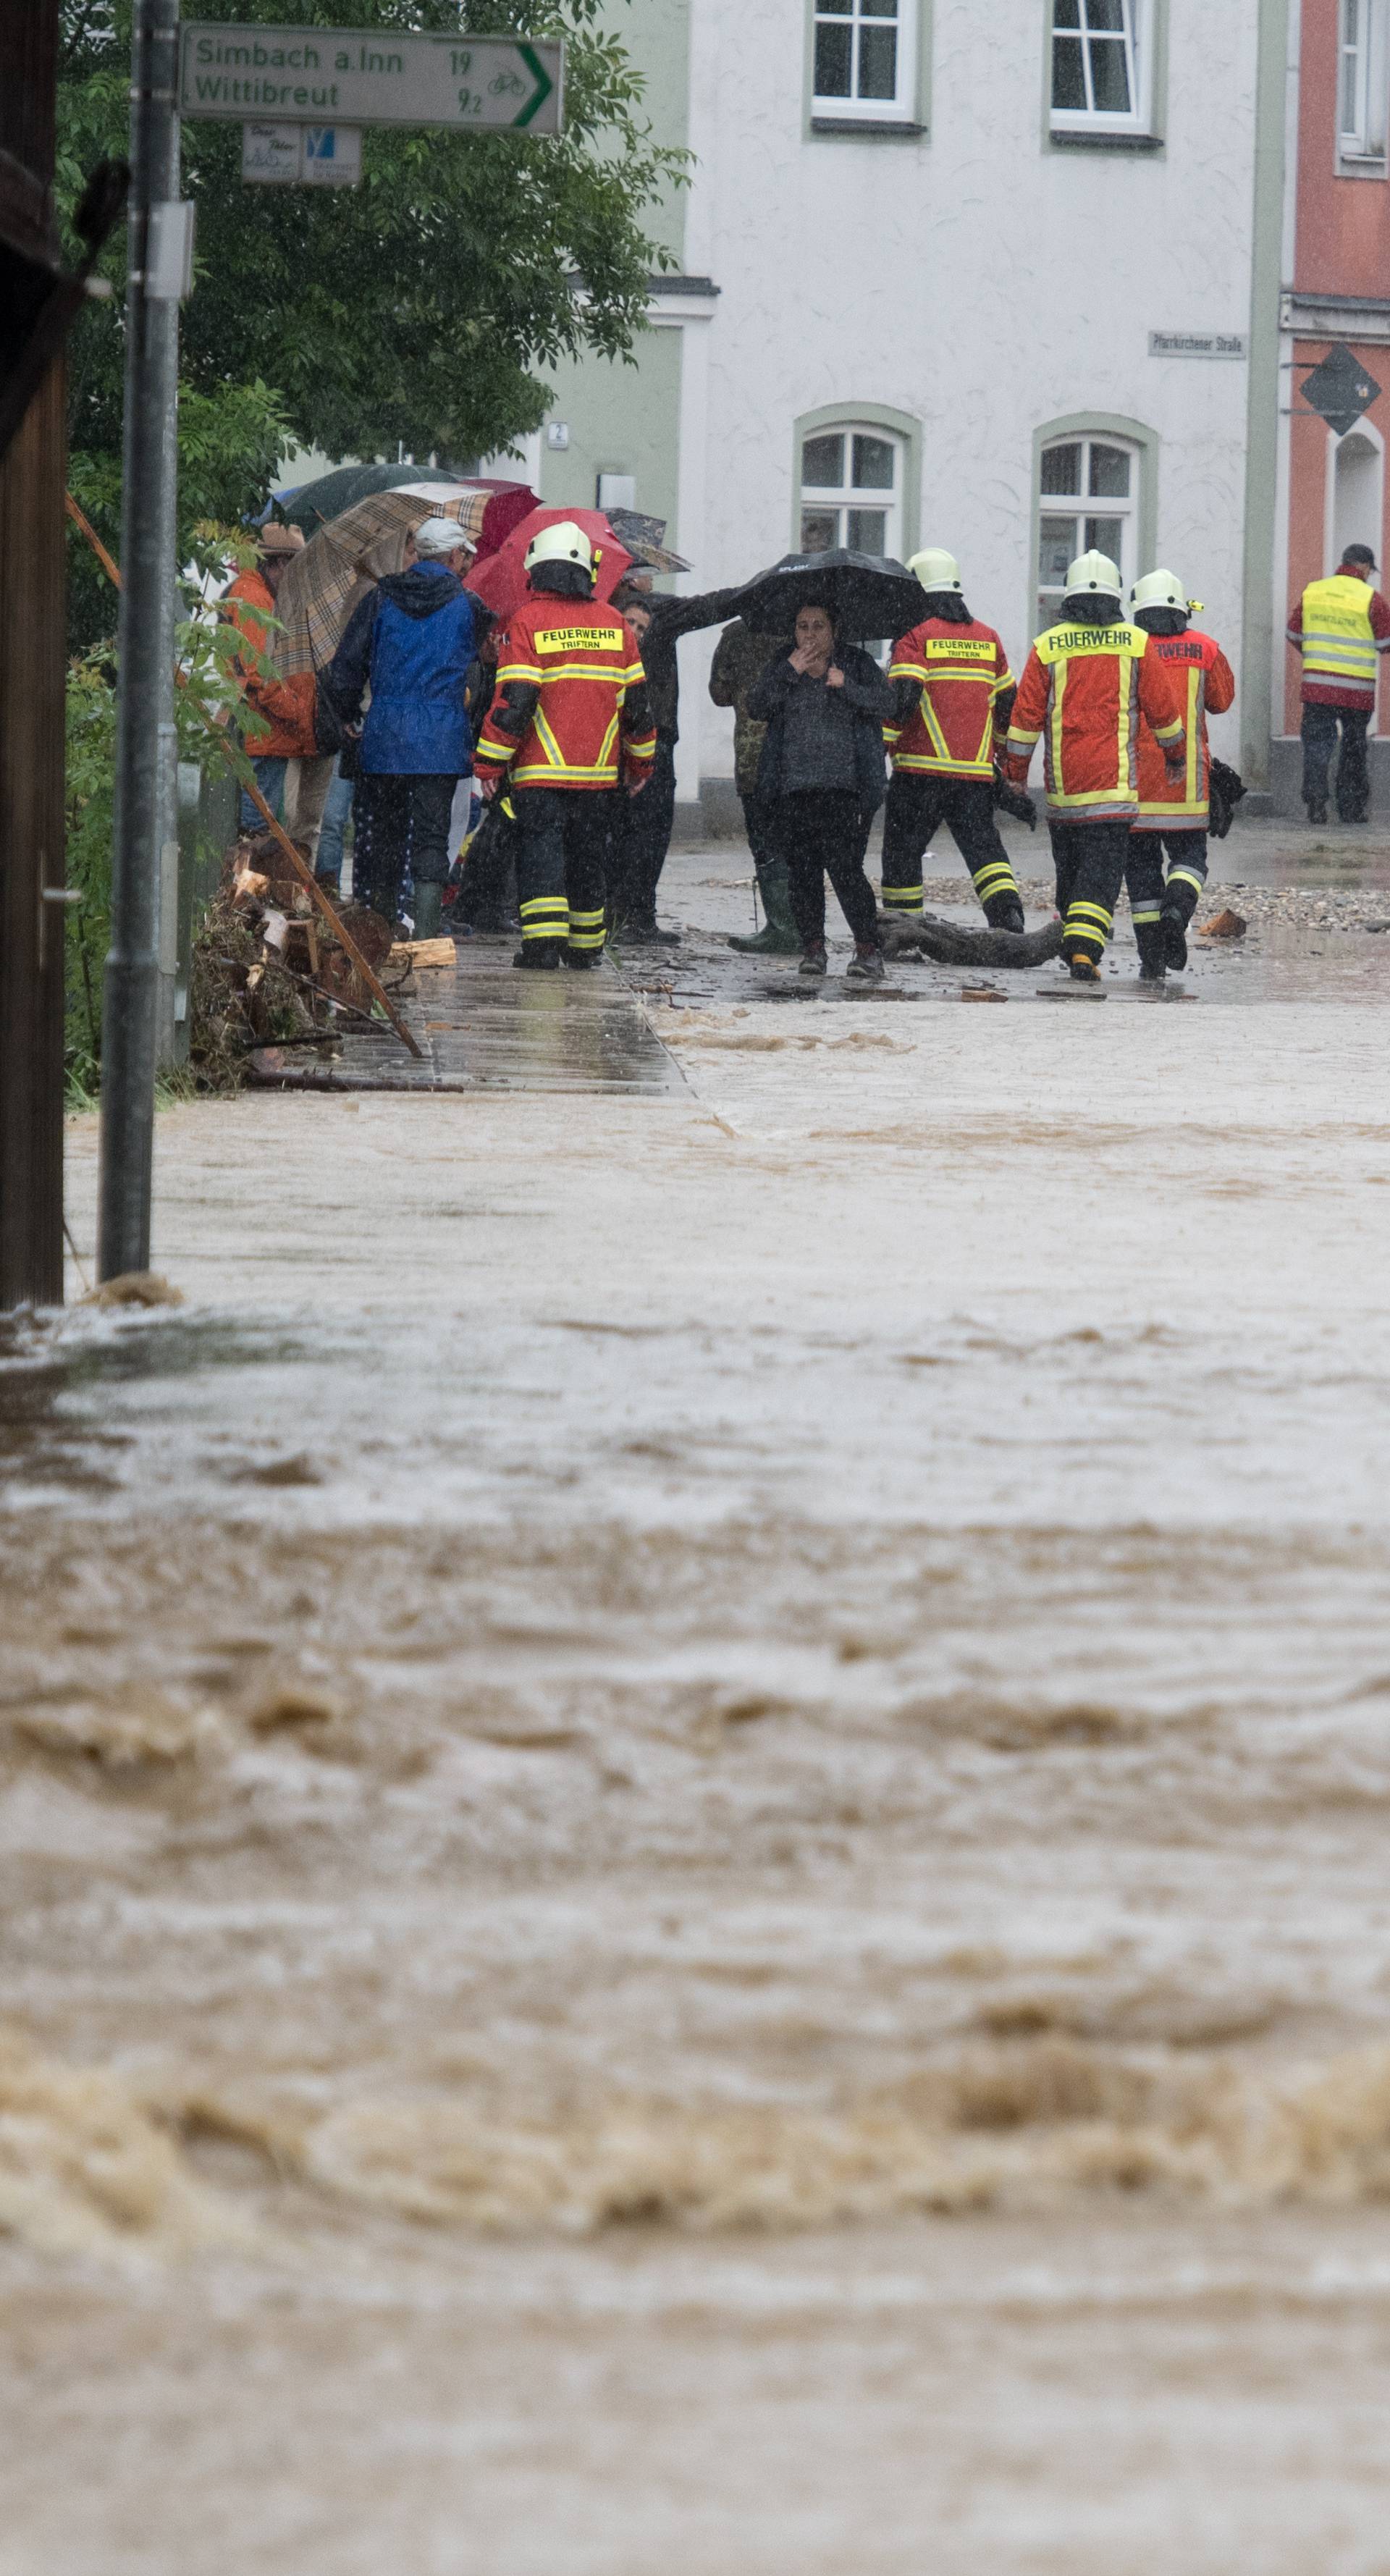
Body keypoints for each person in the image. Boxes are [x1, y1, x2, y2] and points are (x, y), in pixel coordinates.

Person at [472, 521, 657, 970]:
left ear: (538, 570)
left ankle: (541, 948)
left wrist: (489, 766)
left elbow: (514, 702)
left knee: (542, 857)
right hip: (597, 777)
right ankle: (587, 947)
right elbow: (637, 707)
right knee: (587, 858)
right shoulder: (615, 623)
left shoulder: (529, 621)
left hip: (541, 774)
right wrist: (641, 764)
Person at [1002, 549, 1185, 982]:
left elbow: (1025, 722)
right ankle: (1084, 950)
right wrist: (1176, 756)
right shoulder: (1136, 643)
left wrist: (1014, 775)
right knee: (1099, 877)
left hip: (1065, 792)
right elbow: (1165, 712)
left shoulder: (1046, 648)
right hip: (1114, 790)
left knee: (1070, 872)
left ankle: (1074, 947)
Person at [324, 516, 484, 935]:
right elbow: (487, 671)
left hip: (386, 737)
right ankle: (427, 935)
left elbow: (345, 669)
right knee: (432, 838)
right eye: (463, 554)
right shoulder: (469, 606)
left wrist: (347, 718)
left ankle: (382, 927)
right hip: (441, 740)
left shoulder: (379, 599)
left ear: (419, 554)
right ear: (451, 556)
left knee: (386, 835)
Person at [881, 547, 1024, 933]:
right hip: (974, 776)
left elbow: (906, 695)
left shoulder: (915, 635)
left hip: (919, 771)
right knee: (985, 851)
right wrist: (995, 753)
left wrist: (880, 743)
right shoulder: (988, 637)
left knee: (903, 853)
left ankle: (903, 928)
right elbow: (1008, 702)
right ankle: (1008, 917)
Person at [745, 600, 890, 980]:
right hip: (793, 788)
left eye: (818, 627)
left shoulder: (856, 663)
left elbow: (887, 704)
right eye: (802, 627)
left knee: (846, 871)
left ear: (834, 631)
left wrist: (845, 685)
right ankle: (813, 948)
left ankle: (867, 950)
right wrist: (789, 673)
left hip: (846, 789)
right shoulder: (784, 663)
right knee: (803, 874)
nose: (809, 635)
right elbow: (756, 706)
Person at [607, 576, 754, 945]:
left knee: (639, 834)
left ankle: (629, 915)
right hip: (638, 743)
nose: (651, 579)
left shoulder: (611, 614)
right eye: (632, 624)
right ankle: (629, 917)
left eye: (641, 627)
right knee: (640, 834)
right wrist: (753, 591)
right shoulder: (654, 612)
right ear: (630, 576)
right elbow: (708, 605)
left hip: (642, 742)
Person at [1125, 568, 1236, 979]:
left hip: (1134, 787)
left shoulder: (1129, 647)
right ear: (1181, 608)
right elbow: (1221, 702)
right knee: (1190, 859)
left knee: (1139, 872)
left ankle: (1151, 958)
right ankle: (1177, 908)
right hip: (1186, 784)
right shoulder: (1205, 648)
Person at [222, 522, 319, 835]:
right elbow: (262, 675)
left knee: (258, 825)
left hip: (264, 731)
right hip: (264, 732)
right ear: (278, 563)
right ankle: (247, 884)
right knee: (256, 831)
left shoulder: (255, 593)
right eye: (295, 567)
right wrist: (297, 713)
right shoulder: (256, 600)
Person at [708, 615, 797, 953]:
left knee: (765, 842)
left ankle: (783, 926)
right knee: (799, 843)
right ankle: (806, 926)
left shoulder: (736, 633)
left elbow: (719, 693)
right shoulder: (810, 629)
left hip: (753, 754)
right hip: (799, 756)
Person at [1286, 542, 1390, 825]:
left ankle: (1317, 804)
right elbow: (1385, 643)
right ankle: (1351, 808)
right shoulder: (1372, 599)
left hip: (1318, 687)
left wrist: (1317, 657)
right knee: (1354, 748)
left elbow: (1293, 632)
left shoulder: (1314, 592)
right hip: (1357, 692)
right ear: (1365, 567)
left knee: (1317, 746)